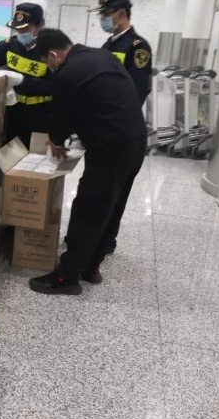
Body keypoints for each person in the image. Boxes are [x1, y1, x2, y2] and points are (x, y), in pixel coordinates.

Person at [30, 29, 147, 295]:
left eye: (47, 62)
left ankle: (66, 278)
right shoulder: (101, 56)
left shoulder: (68, 73)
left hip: (111, 147)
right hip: (136, 141)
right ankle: (92, 266)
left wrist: (56, 141)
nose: (49, 67)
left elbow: (61, 116)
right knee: (112, 206)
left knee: (89, 208)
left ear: (53, 55)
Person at [0, 3, 53, 148]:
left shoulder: (52, 51)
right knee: (12, 153)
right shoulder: (11, 44)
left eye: (25, 28)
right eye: (17, 28)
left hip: (41, 115)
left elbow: (56, 86)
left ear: (40, 25)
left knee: (36, 157)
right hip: (13, 112)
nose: (20, 32)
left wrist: (22, 81)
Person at [90, 0, 153, 106]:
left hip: (121, 113)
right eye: (101, 14)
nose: (102, 18)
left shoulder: (138, 46)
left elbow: (138, 88)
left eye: (106, 13)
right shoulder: (107, 45)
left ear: (122, 13)